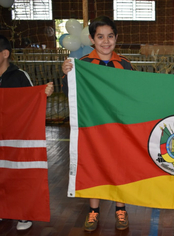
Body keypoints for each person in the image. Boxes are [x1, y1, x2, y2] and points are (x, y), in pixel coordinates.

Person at [62, 16, 133, 232]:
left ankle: (121, 208)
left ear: (116, 38)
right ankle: (94, 210)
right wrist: (67, 76)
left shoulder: (125, 65)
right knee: (93, 166)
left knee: (119, 166)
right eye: (100, 36)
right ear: (92, 39)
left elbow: (132, 96)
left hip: (118, 127)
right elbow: (70, 94)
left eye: (110, 36)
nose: (105, 41)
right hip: (92, 127)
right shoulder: (82, 65)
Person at [0, 35, 54, 230]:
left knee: (19, 174)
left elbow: (32, 101)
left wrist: (43, 94)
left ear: (5, 54)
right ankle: (3, 209)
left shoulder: (19, 75)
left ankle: (23, 213)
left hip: (18, 136)